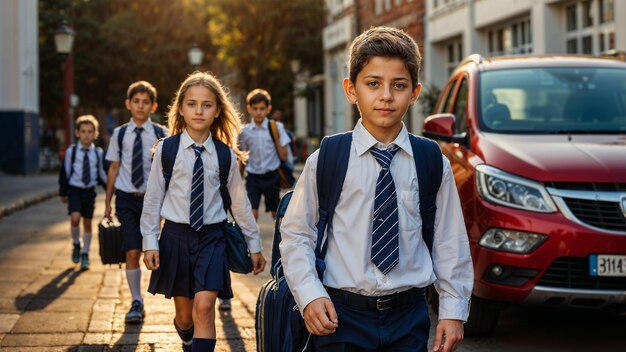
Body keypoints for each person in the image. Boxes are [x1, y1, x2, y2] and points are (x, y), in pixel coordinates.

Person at [279, 27, 473, 352]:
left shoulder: (430, 161)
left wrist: (453, 311)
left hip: (408, 316)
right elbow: (297, 234)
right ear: (351, 90)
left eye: (398, 85)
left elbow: (449, 241)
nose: (386, 95)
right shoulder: (327, 158)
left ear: (414, 93)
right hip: (340, 315)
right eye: (373, 84)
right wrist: (309, 294)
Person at [141, 71, 266, 352]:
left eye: (207, 105)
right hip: (175, 237)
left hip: (212, 238)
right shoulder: (166, 150)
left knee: (204, 308)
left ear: (217, 110)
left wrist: (254, 245)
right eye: (192, 104)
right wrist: (150, 242)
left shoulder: (225, 155)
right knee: (186, 318)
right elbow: (152, 200)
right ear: (181, 109)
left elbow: (240, 203)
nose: (199, 110)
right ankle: (186, 336)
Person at [104, 80, 168, 324]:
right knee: (132, 250)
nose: (141, 106)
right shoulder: (120, 134)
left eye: (146, 102)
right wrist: (108, 202)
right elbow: (113, 168)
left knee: (156, 250)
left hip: (155, 202)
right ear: (128, 104)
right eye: (136, 102)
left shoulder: (161, 134)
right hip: (127, 199)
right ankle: (136, 301)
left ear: (153, 106)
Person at [59, 114, 107, 271]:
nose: (86, 134)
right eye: (83, 131)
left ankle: (85, 253)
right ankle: (76, 243)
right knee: (75, 218)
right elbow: (65, 172)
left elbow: (101, 173)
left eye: (90, 131)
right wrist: (63, 192)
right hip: (74, 190)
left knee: (87, 222)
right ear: (77, 133)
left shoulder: (98, 153)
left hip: (89, 192)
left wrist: (109, 191)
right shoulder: (71, 152)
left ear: (94, 134)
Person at [238, 89, 291, 221]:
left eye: (262, 108)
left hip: (272, 176)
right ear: (249, 109)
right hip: (253, 178)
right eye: (255, 108)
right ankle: (251, 242)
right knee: (252, 213)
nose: (258, 112)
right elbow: (243, 157)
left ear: (269, 108)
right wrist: (237, 179)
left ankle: (279, 241)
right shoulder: (245, 132)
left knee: (276, 213)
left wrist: (276, 140)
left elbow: (284, 156)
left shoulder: (276, 127)